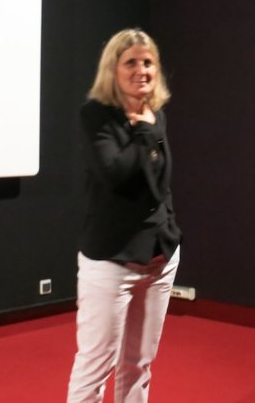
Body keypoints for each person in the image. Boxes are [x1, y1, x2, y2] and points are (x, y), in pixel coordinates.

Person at [67, 28, 182, 403]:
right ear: (112, 69)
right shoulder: (96, 116)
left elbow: (160, 185)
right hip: (112, 260)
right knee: (94, 367)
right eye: (131, 62)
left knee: (138, 365)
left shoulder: (156, 114)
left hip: (160, 256)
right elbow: (114, 173)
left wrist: (168, 231)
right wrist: (144, 132)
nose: (141, 70)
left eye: (148, 62)